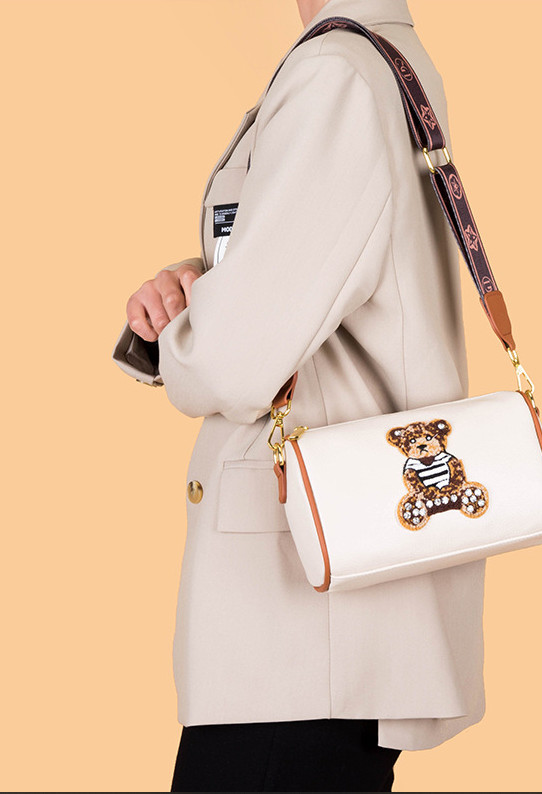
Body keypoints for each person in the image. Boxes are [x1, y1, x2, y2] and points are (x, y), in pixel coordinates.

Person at [112, 0, 487, 790]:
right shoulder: (381, 60)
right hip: (321, 624)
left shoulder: (337, 75)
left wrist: (181, 335)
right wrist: (207, 282)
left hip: (300, 623)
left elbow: (233, 363)